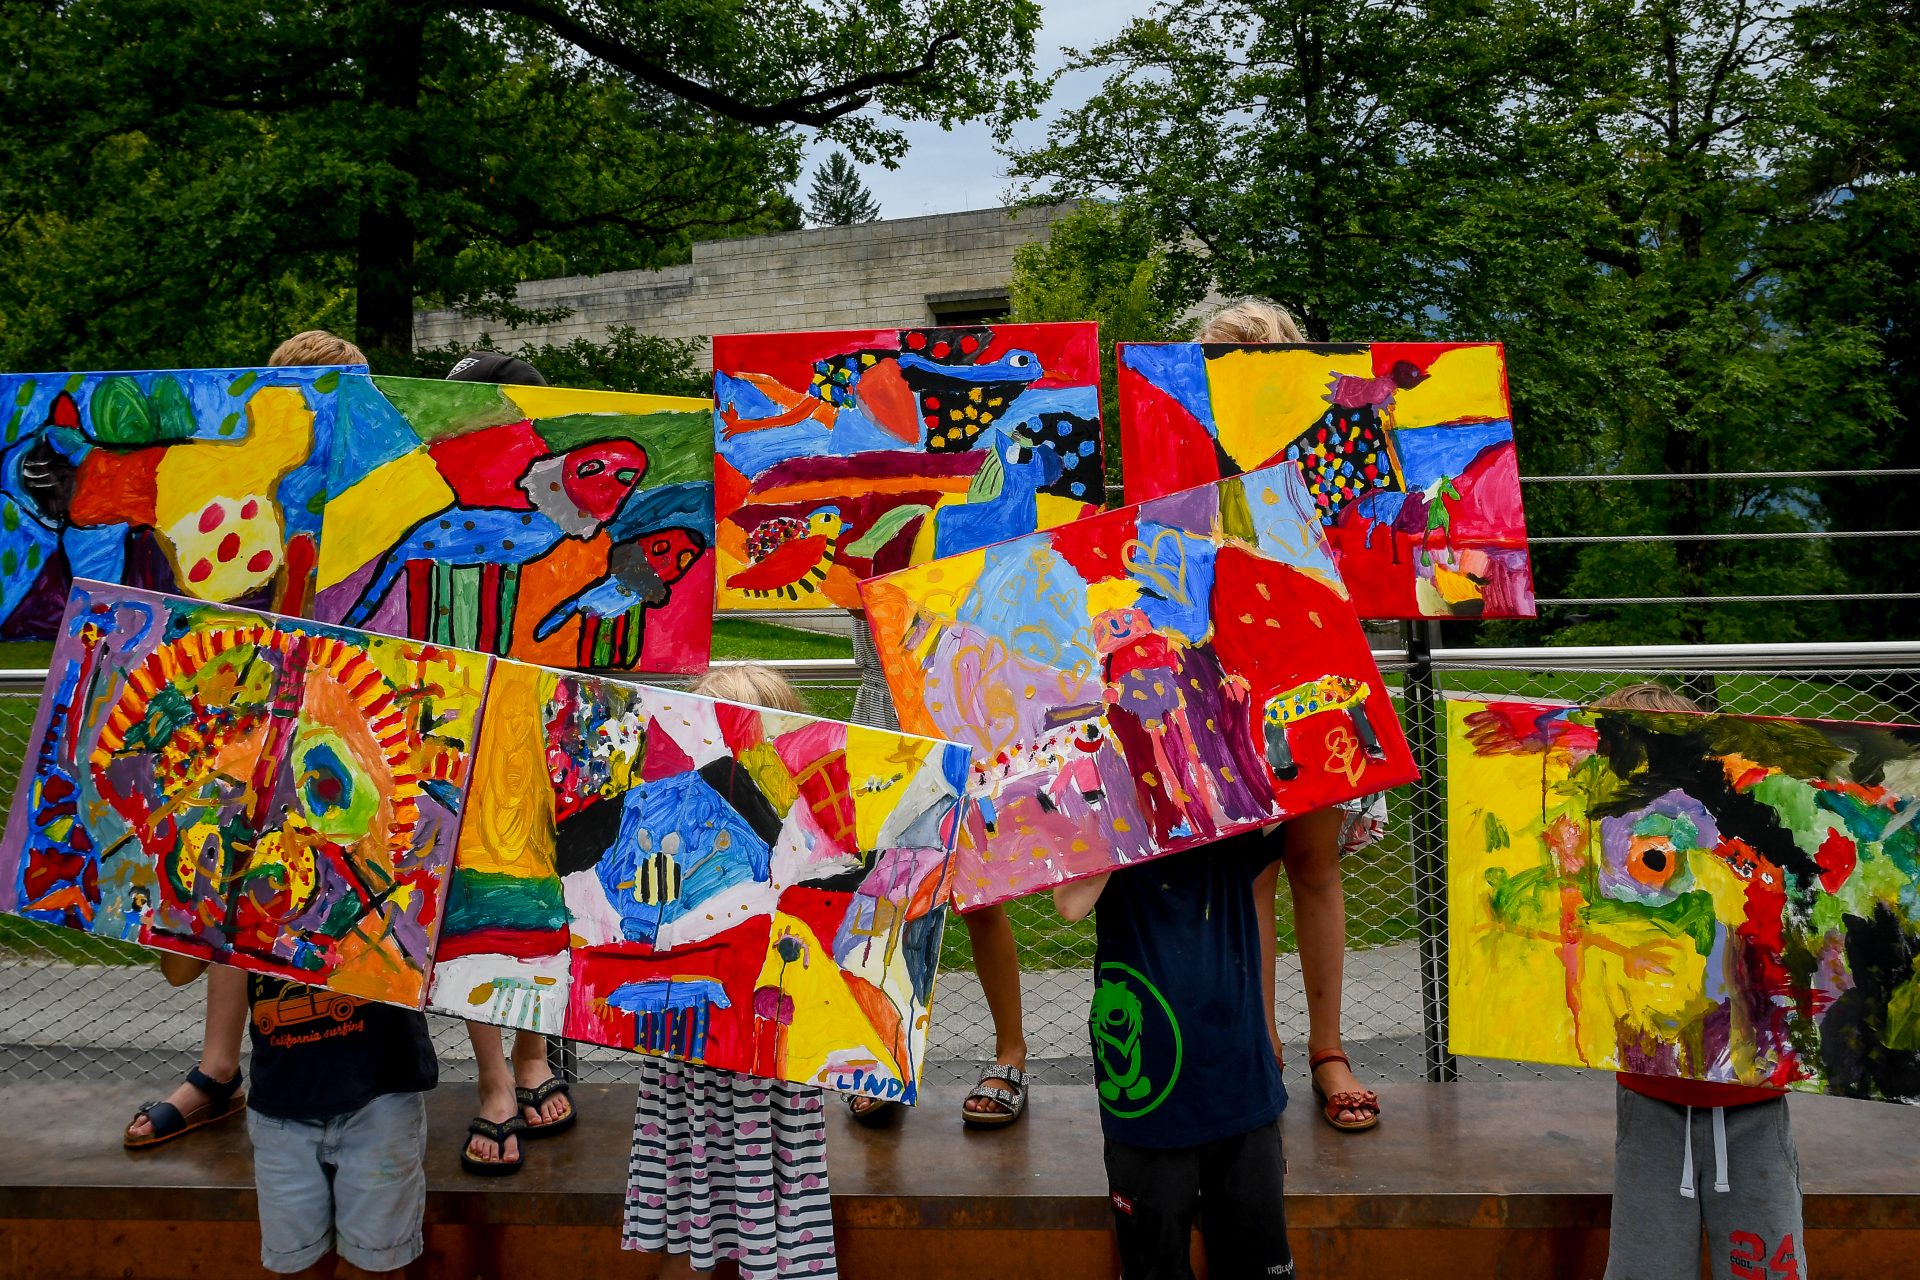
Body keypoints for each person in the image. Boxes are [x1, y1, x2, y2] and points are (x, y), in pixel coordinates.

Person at [123, 328, 370, 1151]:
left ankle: (384, 1078)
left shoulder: (380, 483)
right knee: (235, 868)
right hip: (257, 706)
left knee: (364, 882)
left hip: (361, 706)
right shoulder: (244, 477)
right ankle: (219, 1068)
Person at [1198, 296, 1386, 1133]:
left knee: (1314, 863)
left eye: (1255, 357)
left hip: (1316, 661)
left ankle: (1327, 1047)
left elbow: (1374, 548)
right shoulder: (1186, 447)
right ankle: (1263, 1040)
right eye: (1221, 358)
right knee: (1253, 873)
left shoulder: (1335, 442)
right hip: (1223, 670)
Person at [622, 663, 838, 1279]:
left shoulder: (798, 840)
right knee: (695, 1188)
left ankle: (768, 1258)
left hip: (771, 1056)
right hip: (691, 1048)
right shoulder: (670, 826)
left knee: (766, 1184)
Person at [1596, 682, 1805, 1280]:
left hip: (1754, 1101)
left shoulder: (1738, 854)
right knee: (1646, 1266)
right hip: (1652, 1104)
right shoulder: (1610, 861)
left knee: (1768, 1265)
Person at [430, 348, 581, 1175]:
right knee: (471, 893)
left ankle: (534, 1058)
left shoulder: (561, 506)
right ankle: (493, 1082)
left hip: (548, 717)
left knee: (541, 889)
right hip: (455, 717)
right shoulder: (428, 509)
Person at [1054, 830, 1295, 1279]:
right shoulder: (1107, 816)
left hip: (1239, 1084)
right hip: (1148, 1098)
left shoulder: (1226, 805)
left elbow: (1289, 795)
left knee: (1259, 1263)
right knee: (1154, 1264)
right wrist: (1123, 812)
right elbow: (1069, 903)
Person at [842, 616, 1030, 1128]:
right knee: (889, 906)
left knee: (981, 902)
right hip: (886, 744)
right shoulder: (867, 544)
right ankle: (885, 1055)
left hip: (961, 736)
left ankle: (1011, 1053)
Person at [156, 952, 436, 1277]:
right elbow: (177, 971)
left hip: (380, 1093)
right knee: (297, 1264)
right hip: (283, 1100)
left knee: (376, 1266)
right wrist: (211, 903)